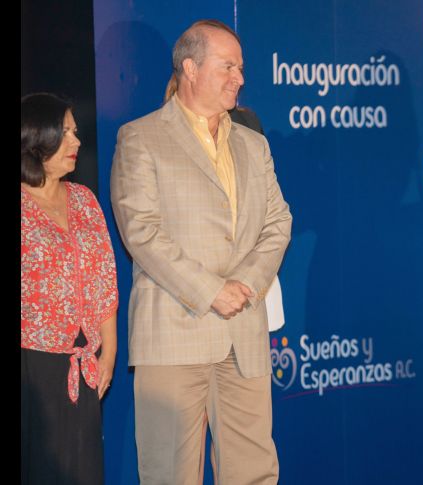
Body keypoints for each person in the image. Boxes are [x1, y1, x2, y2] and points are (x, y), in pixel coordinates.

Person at [110, 19, 292, 484]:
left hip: (243, 334)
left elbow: (278, 223)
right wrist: (211, 290)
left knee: (254, 472)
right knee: (170, 473)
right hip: (174, 334)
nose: (240, 77)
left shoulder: (254, 144)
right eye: (228, 66)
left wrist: (246, 284)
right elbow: (142, 233)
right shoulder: (140, 137)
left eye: (241, 67)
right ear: (190, 68)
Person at [21, 92, 118, 485]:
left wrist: (108, 349)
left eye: (75, 133)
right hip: (32, 368)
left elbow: (104, 277)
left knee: (83, 472)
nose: (77, 142)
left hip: (84, 365)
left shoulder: (85, 200)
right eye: (65, 133)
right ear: (35, 139)